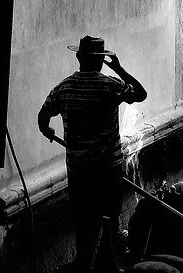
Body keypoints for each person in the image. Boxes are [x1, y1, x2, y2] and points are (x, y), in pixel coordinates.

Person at [38, 35, 148, 254]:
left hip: (79, 170)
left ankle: (86, 264)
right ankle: (109, 262)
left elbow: (43, 116)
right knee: (109, 219)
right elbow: (141, 94)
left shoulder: (64, 88)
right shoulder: (112, 86)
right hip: (108, 169)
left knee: (83, 222)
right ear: (101, 61)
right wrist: (119, 69)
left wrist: (47, 130)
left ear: (79, 57)